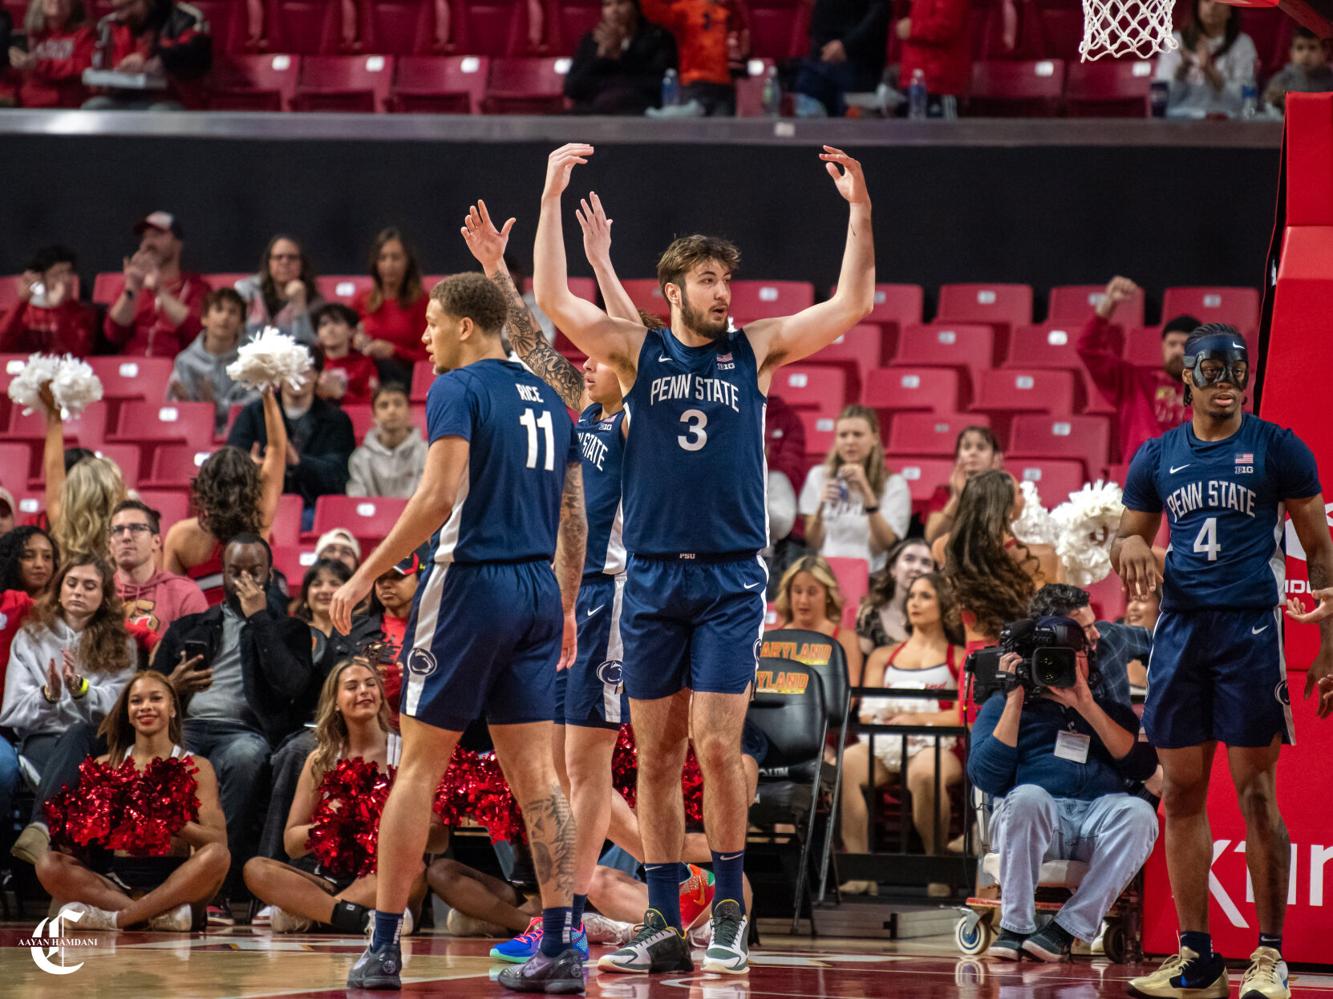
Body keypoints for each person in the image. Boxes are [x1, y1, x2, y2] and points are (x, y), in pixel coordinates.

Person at [534, 141, 873, 976]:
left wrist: (858, 211)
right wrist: (548, 197)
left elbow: (851, 303)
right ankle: (660, 918)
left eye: (729, 278)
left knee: (717, 747)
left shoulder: (753, 349)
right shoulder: (635, 352)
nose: (726, 292)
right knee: (651, 753)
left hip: (728, 577)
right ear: (674, 292)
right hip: (650, 576)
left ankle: (725, 910)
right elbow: (549, 297)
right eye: (710, 280)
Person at [328, 272, 588, 993]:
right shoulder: (552, 397)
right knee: (539, 777)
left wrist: (359, 575)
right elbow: (574, 515)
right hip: (538, 588)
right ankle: (562, 944)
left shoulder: (458, 387)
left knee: (418, 765)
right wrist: (563, 604)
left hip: (472, 583)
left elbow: (438, 494)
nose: (424, 336)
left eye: (434, 323)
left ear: (468, 327)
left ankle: (383, 946)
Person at [1117, 326, 1333, 999]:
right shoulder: (1155, 455)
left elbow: (1319, 547)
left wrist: (1329, 639)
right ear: (1185, 377)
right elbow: (1129, 533)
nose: (1225, 379)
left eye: (1235, 368)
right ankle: (1196, 959)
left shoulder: (1276, 446)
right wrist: (1124, 550)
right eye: (1210, 367)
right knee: (1179, 792)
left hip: (1248, 632)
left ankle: (1268, 956)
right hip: (1179, 632)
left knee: (1255, 792)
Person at [968, 615, 1159, 962]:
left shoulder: (1112, 710)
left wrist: (1085, 704)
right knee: (1028, 797)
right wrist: (1013, 699)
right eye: (1048, 656)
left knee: (1140, 814)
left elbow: (1143, 766)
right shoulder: (1002, 706)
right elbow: (986, 777)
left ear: (1088, 658)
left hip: (1096, 819)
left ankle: (1066, 929)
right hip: (1037, 818)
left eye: (1071, 656)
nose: (1057, 665)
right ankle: (1015, 927)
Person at [153, 533, 315, 924]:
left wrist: (259, 618)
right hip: (186, 728)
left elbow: (293, 685)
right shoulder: (191, 625)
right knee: (151, 758)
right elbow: (148, 688)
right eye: (234, 570)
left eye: (253, 571)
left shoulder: (288, 630)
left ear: (269, 573)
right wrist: (170, 687)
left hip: (242, 732)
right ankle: (149, 885)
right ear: (222, 574)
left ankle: (216, 890)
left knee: (247, 758)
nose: (243, 578)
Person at [244, 658, 441, 934]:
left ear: (381, 696)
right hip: (326, 879)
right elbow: (292, 844)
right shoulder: (321, 759)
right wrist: (330, 823)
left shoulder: (407, 752)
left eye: (371, 684)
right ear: (335, 702)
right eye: (352, 686)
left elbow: (439, 840)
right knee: (256, 869)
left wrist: (388, 821)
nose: (364, 691)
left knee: (415, 870)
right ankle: (359, 918)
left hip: (382, 876)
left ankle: (316, 913)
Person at [37, 672, 229, 931]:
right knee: (48, 863)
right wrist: (76, 831)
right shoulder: (104, 765)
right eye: (136, 701)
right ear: (128, 712)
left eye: (156, 699)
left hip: (177, 884)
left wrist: (172, 821)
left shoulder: (197, 766)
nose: (146, 707)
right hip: (118, 884)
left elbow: (217, 842)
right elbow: (82, 848)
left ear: (173, 708)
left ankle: (118, 919)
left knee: (217, 856)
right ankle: (155, 916)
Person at [839, 572, 965, 894]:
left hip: (937, 744)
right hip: (887, 744)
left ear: (944, 605)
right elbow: (866, 710)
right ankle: (860, 869)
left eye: (925, 596)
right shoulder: (883, 656)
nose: (915, 603)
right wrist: (886, 714)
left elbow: (963, 713)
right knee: (847, 763)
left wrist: (918, 716)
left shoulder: (959, 657)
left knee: (924, 774)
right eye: (911, 596)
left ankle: (937, 866)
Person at [0, 555, 135, 779]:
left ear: (104, 598)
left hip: (96, 739)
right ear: (59, 590)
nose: (78, 592)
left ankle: (42, 815)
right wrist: (48, 696)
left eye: (89, 586)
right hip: (43, 738)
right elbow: (13, 713)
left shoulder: (122, 642)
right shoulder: (30, 637)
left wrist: (81, 691)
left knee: (78, 735)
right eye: (71, 583)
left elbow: (118, 711)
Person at [163, 393, 287, 604]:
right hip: (253, 628)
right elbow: (276, 447)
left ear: (204, 488)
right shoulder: (259, 517)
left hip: (200, 632)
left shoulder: (180, 536)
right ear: (252, 487)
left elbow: (173, 604)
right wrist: (268, 395)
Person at [1078, 275, 1199, 465]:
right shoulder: (1133, 381)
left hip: (1189, 482)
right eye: (1172, 344)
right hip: (1142, 480)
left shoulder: (1212, 393)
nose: (1177, 351)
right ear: (1163, 347)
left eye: (1185, 345)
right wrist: (1107, 305)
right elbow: (1087, 348)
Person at [936, 469, 1057, 651]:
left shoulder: (945, 547)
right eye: (1019, 492)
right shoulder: (1041, 556)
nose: (1024, 497)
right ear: (1006, 507)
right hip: (1016, 659)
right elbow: (1051, 616)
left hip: (973, 662)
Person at [227, 359, 356, 519]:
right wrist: (251, 468)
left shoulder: (336, 419)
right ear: (279, 376)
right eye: (290, 371)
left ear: (317, 375)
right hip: (258, 503)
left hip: (313, 506)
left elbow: (339, 475)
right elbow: (230, 462)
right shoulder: (253, 413)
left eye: (304, 370)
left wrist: (298, 463)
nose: (297, 377)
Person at [0, 525, 57, 856]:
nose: (40, 564)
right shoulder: (12, 604)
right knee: (4, 770)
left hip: (45, 724)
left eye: (48, 557)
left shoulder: (68, 608)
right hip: (5, 729)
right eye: (29, 556)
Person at [799, 404, 909, 572]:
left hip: (872, 574)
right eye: (843, 435)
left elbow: (885, 544)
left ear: (874, 438)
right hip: (826, 573)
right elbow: (813, 542)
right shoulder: (818, 476)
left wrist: (866, 492)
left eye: (857, 435)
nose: (850, 441)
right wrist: (821, 506)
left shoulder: (894, 484)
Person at [103, 211, 210, 358]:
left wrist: (160, 291)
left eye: (157, 235)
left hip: (175, 371)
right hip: (132, 368)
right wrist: (132, 286)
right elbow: (113, 334)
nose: (148, 243)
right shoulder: (130, 285)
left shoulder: (197, 287)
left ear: (178, 243)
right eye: (145, 237)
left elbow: (198, 334)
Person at [1028, 582, 1150, 711]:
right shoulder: (1040, 672)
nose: (1096, 634)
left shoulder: (1110, 636)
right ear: (1053, 634)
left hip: (1126, 728)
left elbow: (1153, 643)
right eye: (1085, 628)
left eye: (1093, 623)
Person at [111, 499, 207, 638]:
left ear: (156, 541)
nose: (126, 537)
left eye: (137, 528)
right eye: (118, 530)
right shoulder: (97, 593)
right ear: (110, 545)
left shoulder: (185, 595)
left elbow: (196, 654)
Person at [166, 286, 256, 435]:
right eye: (219, 310)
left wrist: (215, 406)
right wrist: (190, 406)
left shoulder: (253, 360)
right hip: (193, 432)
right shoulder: (185, 361)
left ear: (241, 322)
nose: (225, 317)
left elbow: (255, 408)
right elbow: (173, 409)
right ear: (204, 318)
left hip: (240, 435)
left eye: (232, 312)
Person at [564, 0, 678, 115]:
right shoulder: (591, 40)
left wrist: (620, 55)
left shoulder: (658, 37)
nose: (614, 11)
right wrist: (601, 58)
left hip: (639, 113)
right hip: (594, 114)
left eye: (620, 3)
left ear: (635, 6)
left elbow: (660, 83)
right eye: (607, 5)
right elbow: (571, 88)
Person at [1155, 0, 1260, 119]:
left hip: (1226, 122)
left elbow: (1243, 102)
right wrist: (1181, 72)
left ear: (1231, 9)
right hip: (1181, 121)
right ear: (1197, 7)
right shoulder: (1176, 41)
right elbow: (1163, 99)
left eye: (1220, 1)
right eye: (1207, 1)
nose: (1213, 6)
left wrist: (1209, 70)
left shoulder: (1242, 44)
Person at [640, 0, 747, 116]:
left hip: (724, 85)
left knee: (724, 131)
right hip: (695, 83)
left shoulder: (730, 10)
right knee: (695, 131)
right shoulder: (684, 10)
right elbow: (653, 11)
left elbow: (744, 32)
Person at [771, 554, 863, 683]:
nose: (803, 600)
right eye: (797, 591)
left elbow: (849, 694)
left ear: (828, 595)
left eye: (812, 592)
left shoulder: (845, 640)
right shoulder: (771, 638)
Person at [353, 227, 429, 382]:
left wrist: (393, 351)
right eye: (382, 258)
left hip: (405, 377)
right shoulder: (362, 299)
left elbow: (428, 356)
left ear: (408, 262)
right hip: (366, 376)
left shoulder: (422, 302)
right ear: (375, 263)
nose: (389, 265)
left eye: (395, 258)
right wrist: (354, 340)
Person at [793, 0, 889, 117]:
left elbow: (880, 12)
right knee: (804, 128)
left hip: (857, 64)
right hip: (817, 60)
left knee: (852, 131)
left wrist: (846, 46)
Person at [0, 244, 97, 355]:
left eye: (69, 273)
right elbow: (2, 344)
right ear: (42, 278)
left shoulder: (82, 313)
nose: (66, 280)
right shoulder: (24, 312)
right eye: (57, 275)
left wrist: (60, 309)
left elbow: (80, 351)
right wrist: (21, 302)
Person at [236, 235, 321, 347]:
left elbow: (308, 347)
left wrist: (300, 306)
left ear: (302, 263)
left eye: (292, 257)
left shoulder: (316, 302)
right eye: (278, 257)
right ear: (269, 262)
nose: (285, 262)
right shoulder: (248, 290)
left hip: (292, 362)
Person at [923, 425, 1004, 543]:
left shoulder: (1007, 492)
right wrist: (957, 498)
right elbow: (932, 537)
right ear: (958, 457)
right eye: (966, 447)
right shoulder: (944, 492)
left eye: (981, 448)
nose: (973, 452)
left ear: (995, 458)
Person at [7, 0, 95, 108]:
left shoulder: (85, 34)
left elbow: (82, 67)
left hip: (70, 108)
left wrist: (39, 65)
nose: (57, 1)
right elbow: (14, 76)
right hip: (30, 106)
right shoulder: (30, 35)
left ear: (74, 4)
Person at [853, 538, 934, 654]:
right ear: (893, 568)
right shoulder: (870, 612)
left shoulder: (941, 616)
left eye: (926, 563)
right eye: (909, 559)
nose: (917, 568)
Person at [346, 383, 427, 498]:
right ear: (374, 416)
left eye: (398, 404)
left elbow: (428, 499)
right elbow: (357, 503)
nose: (391, 411)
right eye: (384, 406)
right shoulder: (359, 458)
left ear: (410, 412)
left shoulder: (427, 453)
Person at [896, 0, 969, 113]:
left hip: (939, 82)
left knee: (939, 129)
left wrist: (913, 29)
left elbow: (946, 27)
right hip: (914, 78)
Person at [313, 303, 379, 406]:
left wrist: (341, 394)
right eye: (323, 324)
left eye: (337, 322)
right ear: (317, 334)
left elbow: (371, 405)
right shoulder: (312, 364)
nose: (330, 329)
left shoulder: (364, 364)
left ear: (352, 331)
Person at [1264, 28, 1333, 112]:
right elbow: (1265, 108)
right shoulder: (1281, 80)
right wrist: (1275, 100)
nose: (1305, 54)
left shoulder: (1330, 81)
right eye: (1300, 48)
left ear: (1325, 52)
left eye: (1312, 48)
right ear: (1291, 53)